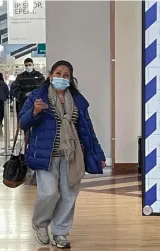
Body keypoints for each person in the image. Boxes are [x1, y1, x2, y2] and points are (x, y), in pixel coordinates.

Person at [19, 60, 106, 249]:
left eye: (65, 75)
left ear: (71, 78)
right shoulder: (37, 96)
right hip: (46, 156)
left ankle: (60, 232)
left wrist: (98, 154)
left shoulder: (77, 101)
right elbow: (23, 123)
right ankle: (40, 224)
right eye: (58, 74)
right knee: (49, 193)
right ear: (50, 76)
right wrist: (35, 111)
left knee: (68, 196)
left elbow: (87, 130)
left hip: (72, 156)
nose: (61, 78)